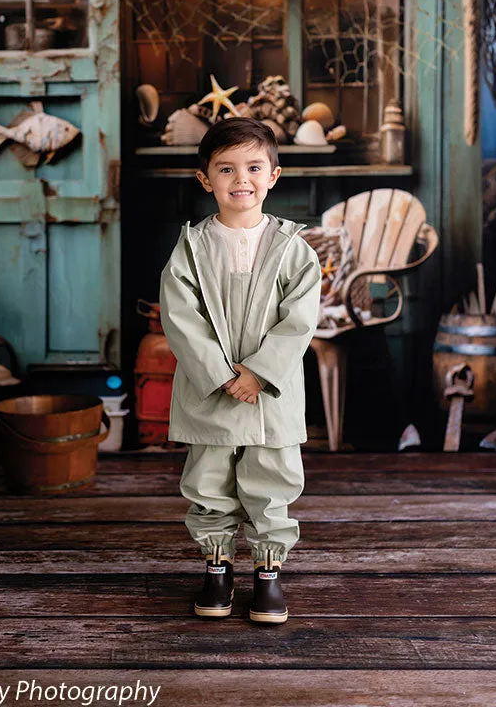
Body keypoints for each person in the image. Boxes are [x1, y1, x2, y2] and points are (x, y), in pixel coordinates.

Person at [159, 117, 321, 624]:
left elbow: (300, 320)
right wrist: (223, 375)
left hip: (270, 394)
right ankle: (217, 570)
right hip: (212, 391)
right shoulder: (190, 249)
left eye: (253, 167)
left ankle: (268, 576)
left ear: (274, 174)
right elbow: (180, 318)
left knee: (271, 482)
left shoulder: (294, 250)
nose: (241, 179)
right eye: (226, 169)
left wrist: (257, 373)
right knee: (209, 483)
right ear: (206, 179)